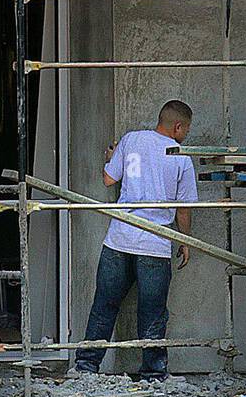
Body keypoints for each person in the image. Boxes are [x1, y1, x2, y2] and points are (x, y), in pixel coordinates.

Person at [75, 100, 197, 382]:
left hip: (119, 238)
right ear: (178, 127)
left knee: (104, 305)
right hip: (154, 243)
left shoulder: (131, 140)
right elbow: (184, 208)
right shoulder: (181, 155)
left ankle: (86, 367)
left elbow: (108, 179)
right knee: (152, 313)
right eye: (186, 129)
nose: (186, 134)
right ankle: (153, 374)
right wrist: (185, 241)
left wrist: (110, 156)